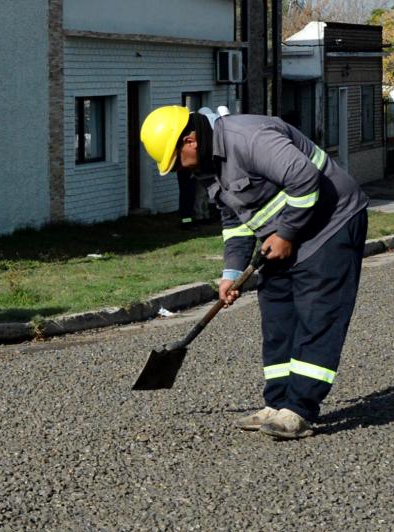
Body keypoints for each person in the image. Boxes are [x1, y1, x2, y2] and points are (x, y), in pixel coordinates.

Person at [140, 106, 369, 439]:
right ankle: (276, 404)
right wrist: (231, 273)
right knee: (277, 316)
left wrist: (287, 233)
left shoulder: (247, 138)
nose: (177, 169)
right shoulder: (207, 167)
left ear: (189, 140)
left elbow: (304, 179)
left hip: (330, 225)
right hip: (281, 234)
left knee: (317, 315)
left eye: (176, 161)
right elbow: (235, 221)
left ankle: (299, 409)